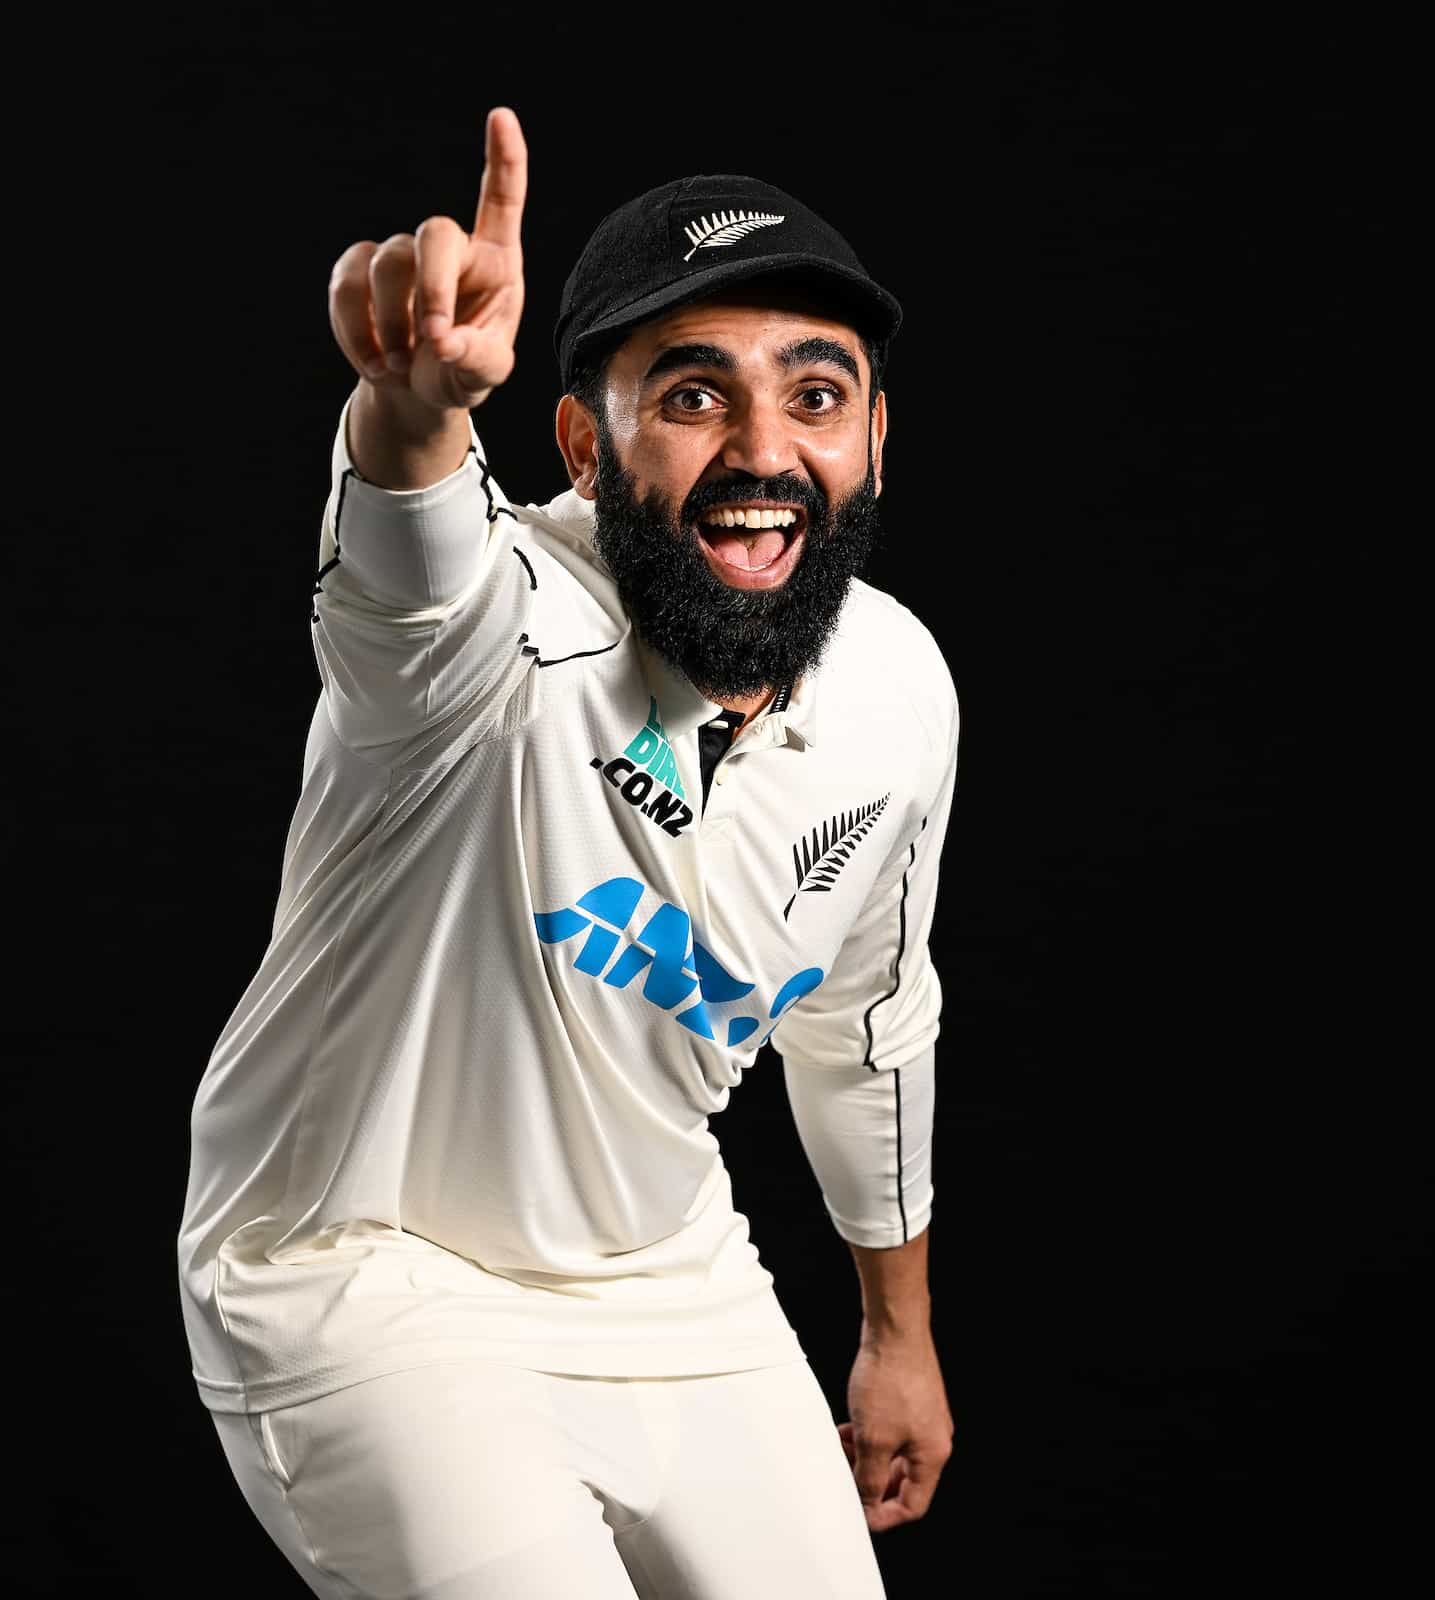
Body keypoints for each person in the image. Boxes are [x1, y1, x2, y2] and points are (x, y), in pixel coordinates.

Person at [177, 105, 959, 1598]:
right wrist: (408, 409)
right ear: (584, 448)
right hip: (360, 1272)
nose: (763, 451)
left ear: (872, 440)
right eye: (690, 395)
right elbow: (415, 554)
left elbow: (869, 1030)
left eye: (816, 394)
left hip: (665, 1272)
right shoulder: (493, 628)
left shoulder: (900, 693)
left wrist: (897, 1336)